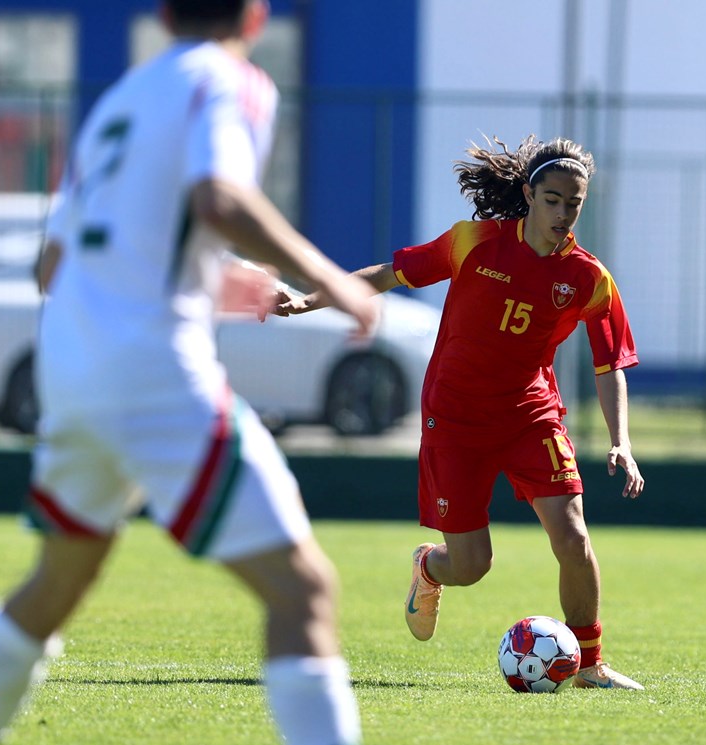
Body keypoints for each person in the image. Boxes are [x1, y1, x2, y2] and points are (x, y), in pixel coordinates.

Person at [0, 2, 377, 745]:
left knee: (58, 579)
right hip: (153, 373)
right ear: (254, 16)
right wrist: (330, 277)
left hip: (71, 370)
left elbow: (52, 267)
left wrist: (220, 283)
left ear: (166, 13)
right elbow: (219, 199)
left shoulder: (121, 100)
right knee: (303, 589)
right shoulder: (230, 81)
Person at [274, 135, 646, 690]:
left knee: (573, 537)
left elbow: (609, 363)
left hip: (530, 415)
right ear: (529, 195)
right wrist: (310, 300)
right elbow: (388, 274)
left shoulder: (589, 278)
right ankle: (430, 566)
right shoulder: (475, 242)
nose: (563, 213)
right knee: (471, 566)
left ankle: (589, 664)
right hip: (455, 418)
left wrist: (621, 441)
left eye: (574, 203)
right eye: (552, 200)